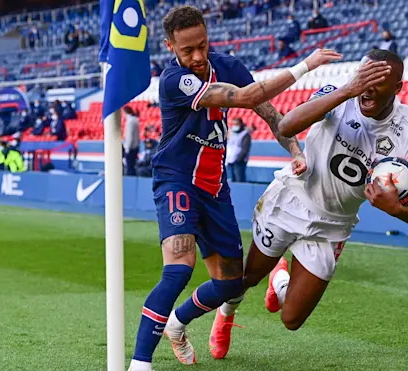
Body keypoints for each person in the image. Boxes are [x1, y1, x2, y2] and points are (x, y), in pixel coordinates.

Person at [127, 6, 341, 370]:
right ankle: (139, 363)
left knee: (230, 285)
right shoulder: (173, 79)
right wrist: (304, 66)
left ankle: (177, 324)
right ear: (170, 48)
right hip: (177, 179)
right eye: (186, 50)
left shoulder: (226, 65)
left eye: (202, 46)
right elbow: (242, 98)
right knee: (178, 269)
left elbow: (268, 111)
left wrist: (294, 149)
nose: (196, 56)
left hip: (214, 189)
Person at [209, 50, 408, 358]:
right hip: (291, 199)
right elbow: (286, 127)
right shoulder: (337, 94)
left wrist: (397, 210)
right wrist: (347, 90)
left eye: (379, 81)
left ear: (397, 88)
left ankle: (280, 279)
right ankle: (225, 315)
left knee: (292, 320)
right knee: (247, 278)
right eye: (364, 77)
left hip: (333, 224)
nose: (368, 86)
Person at [225, 118, 251, 182]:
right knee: (231, 180)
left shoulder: (245, 134)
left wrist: (238, 159)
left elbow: (245, 149)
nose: (234, 126)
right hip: (230, 160)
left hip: (239, 162)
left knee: (239, 180)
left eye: (236, 124)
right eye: (233, 124)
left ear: (241, 124)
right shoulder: (230, 133)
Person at [123, 106, 140, 176]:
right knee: (132, 166)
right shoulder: (135, 119)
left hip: (131, 147)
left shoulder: (130, 121)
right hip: (135, 146)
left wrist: (127, 148)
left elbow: (130, 135)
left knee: (130, 167)